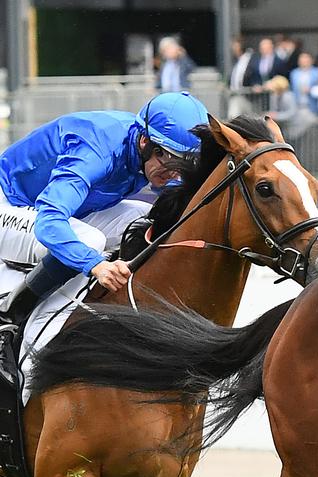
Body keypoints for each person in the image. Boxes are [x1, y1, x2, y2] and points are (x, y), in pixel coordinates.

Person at [0, 91, 209, 366]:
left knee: (147, 217)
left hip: (53, 209)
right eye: (170, 162)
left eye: (184, 165)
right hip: (12, 204)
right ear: (145, 142)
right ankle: (11, 318)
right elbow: (49, 221)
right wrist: (96, 265)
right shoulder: (96, 151)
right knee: (90, 240)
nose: (175, 175)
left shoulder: (147, 148)